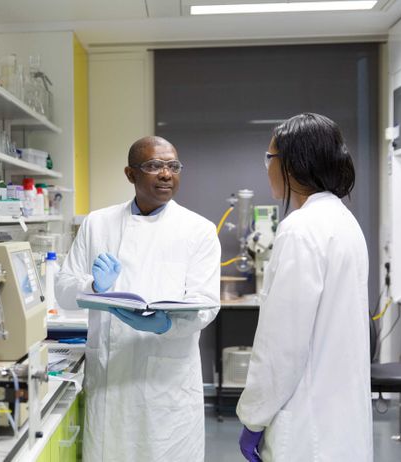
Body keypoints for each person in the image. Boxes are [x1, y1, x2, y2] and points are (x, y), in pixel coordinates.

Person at [55, 136, 221, 461]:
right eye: (154, 166)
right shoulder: (97, 224)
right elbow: (63, 290)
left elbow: (206, 304)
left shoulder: (197, 230)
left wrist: (165, 324)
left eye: (173, 166)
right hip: (110, 379)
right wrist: (94, 286)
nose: (165, 174)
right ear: (130, 174)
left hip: (166, 383)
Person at [236, 113, 373, 461]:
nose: (266, 167)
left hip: (307, 427)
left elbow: (281, 343)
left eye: (269, 158)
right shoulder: (343, 221)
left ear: (293, 164)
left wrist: (254, 418)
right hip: (340, 420)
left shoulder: (301, 228)